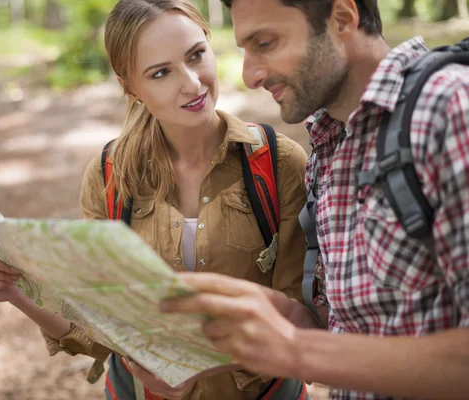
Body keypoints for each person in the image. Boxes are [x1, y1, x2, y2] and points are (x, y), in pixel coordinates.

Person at [0, 0, 311, 399]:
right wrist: (13, 291)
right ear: (130, 86)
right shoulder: (109, 176)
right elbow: (95, 330)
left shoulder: (277, 162)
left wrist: (197, 361)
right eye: (161, 72)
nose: (192, 83)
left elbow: (303, 320)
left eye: (196, 55)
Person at [160, 0, 469, 399]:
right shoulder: (328, 144)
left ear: (342, 18)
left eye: (266, 43)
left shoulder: (450, 111)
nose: (249, 74)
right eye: (244, 51)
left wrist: (296, 349)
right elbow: (356, 335)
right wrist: (263, 318)